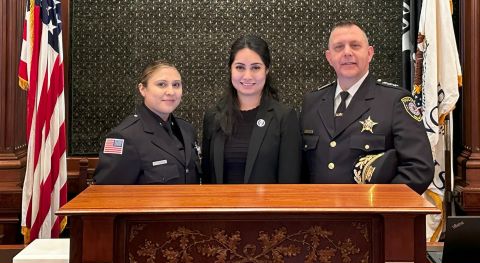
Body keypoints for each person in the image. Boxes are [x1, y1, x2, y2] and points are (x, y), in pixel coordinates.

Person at [300, 21, 434, 194]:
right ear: (329, 57)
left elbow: (419, 170)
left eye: (355, 46)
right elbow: (301, 169)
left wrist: (375, 203)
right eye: (339, 47)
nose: (347, 52)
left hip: (371, 216)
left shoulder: (395, 101)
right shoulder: (312, 102)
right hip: (319, 215)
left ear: (370, 53)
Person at [202, 35, 302, 184]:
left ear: (266, 70)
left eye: (255, 67)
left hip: (266, 207)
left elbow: (289, 182)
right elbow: (207, 179)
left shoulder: (285, 118)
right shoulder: (213, 117)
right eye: (240, 67)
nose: (247, 76)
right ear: (230, 69)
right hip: (222, 206)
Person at [93, 60, 200, 184]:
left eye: (176, 85)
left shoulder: (187, 130)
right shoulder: (125, 137)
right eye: (161, 84)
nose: (171, 92)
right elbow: (107, 196)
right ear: (142, 89)